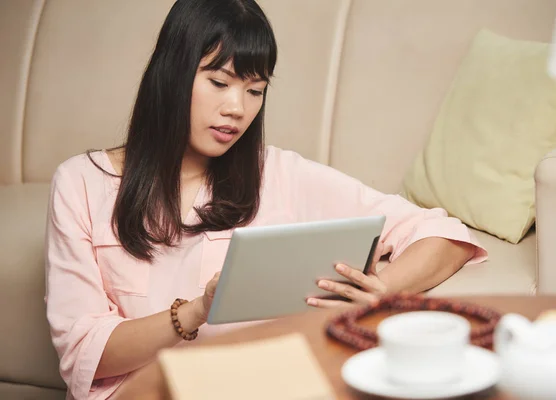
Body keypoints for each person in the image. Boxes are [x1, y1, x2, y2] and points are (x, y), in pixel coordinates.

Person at [44, 0, 487, 398]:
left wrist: (380, 295)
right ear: (171, 75)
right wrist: (198, 310)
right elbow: (85, 354)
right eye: (219, 82)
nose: (237, 108)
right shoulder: (80, 183)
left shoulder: (279, 173)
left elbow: (442, 236)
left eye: (254, 91)